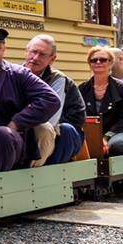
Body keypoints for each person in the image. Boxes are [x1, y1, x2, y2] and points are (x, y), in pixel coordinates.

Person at [0, 27, 60, 172]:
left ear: (4, 50)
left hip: (7, 141)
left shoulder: (18, 74)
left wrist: (16, 123)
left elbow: (50, 99)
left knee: (3, 134)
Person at [22, 34, 86, 166]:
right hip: (28, 126)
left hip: (61, 133)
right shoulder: (14, 73)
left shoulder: (58, 79)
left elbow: (51, 119)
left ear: (52, 59)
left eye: (42, 55)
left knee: (62, 129)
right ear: (26, 51)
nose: (35, 58)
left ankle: (47, 172)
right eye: (33, 52)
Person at [79, 47, 123, 156]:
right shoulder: (82, 88)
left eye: (103, 59)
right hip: (91, 133)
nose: (98, 62)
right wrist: (93, 138)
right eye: (93, 60)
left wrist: (105, 137)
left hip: (120, 131)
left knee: (118, 146)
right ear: (89, 64)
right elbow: (79, 116)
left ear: (110, 63)